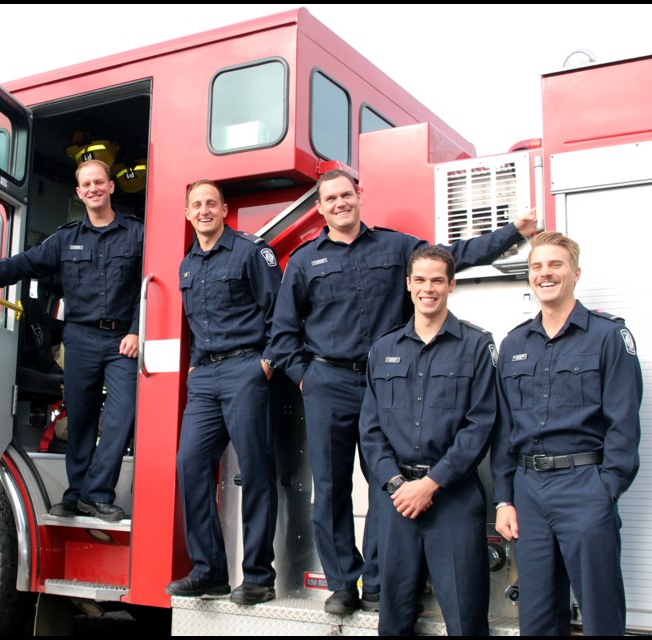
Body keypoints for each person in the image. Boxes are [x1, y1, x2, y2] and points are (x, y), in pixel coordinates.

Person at [265, 169, 536, 615]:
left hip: (388, 379)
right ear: (320, 207)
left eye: (346, 194)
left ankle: (377, 579)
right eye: (330, 198)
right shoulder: (303, 260)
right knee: (331, 487)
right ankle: (341, 583)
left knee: (383, 481)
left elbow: (452, 257)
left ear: (359, 195)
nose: (339, 203)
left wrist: (513, 232)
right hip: (328, 382)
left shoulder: (397, 247)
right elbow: (283, 331)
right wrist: (305, 377)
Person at [0, 158, 143, 522]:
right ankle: (76, 495)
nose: (92, 188)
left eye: (98, 182)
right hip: (80, 340)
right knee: (80, 420)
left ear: (111, 187)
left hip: (123, 340)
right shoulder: (66, 238)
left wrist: (138, 330)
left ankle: (98, 493)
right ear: (79, 192)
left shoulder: (137, 233)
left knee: (122, 418)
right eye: (85, 184)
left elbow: (148, 285)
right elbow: (25, 263)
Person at [491, 232, 642, 635]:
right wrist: (504, 499)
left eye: (555, 264)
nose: (545, 273)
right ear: (529, 277)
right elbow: (504, 429)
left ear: (575, 272)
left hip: (584, 487)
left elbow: (624, 422)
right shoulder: (514, 343)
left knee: (599, 610)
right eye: (537, 266)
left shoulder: (608, 336)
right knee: (536, 615)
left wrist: (606, 487)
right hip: (528, 491)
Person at [359, 246, 495, 635]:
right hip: (397, 501)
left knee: (466, 620)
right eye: (420, 280)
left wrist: (431, 484)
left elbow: (481, 424)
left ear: (452, 284)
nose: (428, 288)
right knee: (394, 619)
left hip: (452, 497)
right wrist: (398, 484)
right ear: (408, 284)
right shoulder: (384, 349)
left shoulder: (476, 345)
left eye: (437, 280)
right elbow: (370, 428)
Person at [165, 180, 282, 605]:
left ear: (225, 208)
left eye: (211, 203)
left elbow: (280, 313)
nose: (204, 210)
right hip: (206, 377)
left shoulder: (251, 252)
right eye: (196, 204)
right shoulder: (187, 265)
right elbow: (197, 324)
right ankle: (210, 570)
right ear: (187, 213)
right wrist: (196, 365)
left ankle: (257, 577)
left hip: (246, 369)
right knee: (190, 463)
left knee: (254, 472)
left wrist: (264, 364)